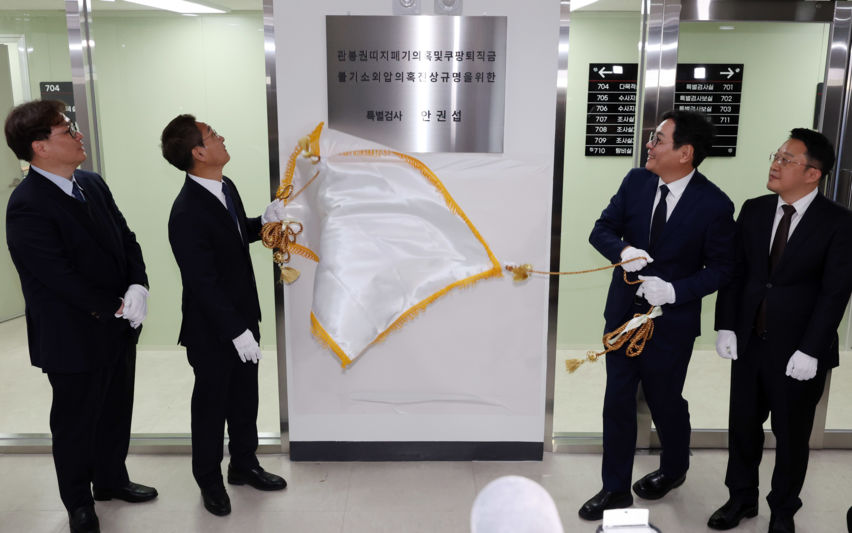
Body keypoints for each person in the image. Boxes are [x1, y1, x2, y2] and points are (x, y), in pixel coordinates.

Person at [4, 100, 157, 533]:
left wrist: (138, 285)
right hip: (71, 335)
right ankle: (78, 503)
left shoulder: (91, 183)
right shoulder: (27, 203)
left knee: (115, 409)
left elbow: (126, 238)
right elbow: (57, 276)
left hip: (117, 327)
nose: (78, 135)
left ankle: (111, 479)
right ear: (40, 147)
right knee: (75, 423)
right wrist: (116, 305)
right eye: (67, 130)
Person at [579, 110, 736, 521]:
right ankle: (614, 489)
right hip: (623, 317)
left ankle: (674, 467)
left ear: (685, 153)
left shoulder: (715, 204)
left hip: (671, 324)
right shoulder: (636, 181)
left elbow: (722, 268)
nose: (649, 145)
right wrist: (623, 250)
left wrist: (675, 291)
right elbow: (601, 229)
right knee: (617, 400)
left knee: (664, 400)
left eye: (658, 139)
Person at [709, 128, 852, 533]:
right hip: (750, 343)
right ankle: (741, 498)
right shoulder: (754, 210)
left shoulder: (839, 222)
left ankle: (783, 510)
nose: (775, 164)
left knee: (791, 436)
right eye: (776, 156)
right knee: (742, 428)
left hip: (798, 353)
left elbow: (835, 292)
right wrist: (727, 325)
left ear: (813, 173)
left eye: (787, 160)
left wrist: (811, 349)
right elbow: (736, 274)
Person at [160, 114, 288, 517]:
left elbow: (233, 237)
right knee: (212, 406)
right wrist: (235, 331)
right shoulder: (185, 212)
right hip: (212, 330)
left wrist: (261, 223)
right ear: (198, 153)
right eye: (213, 135)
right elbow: (202, 282)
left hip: (243, 317)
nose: (221, 138)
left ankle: (244, 464)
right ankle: (209, 481)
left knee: (245, 397)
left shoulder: (225, 186)